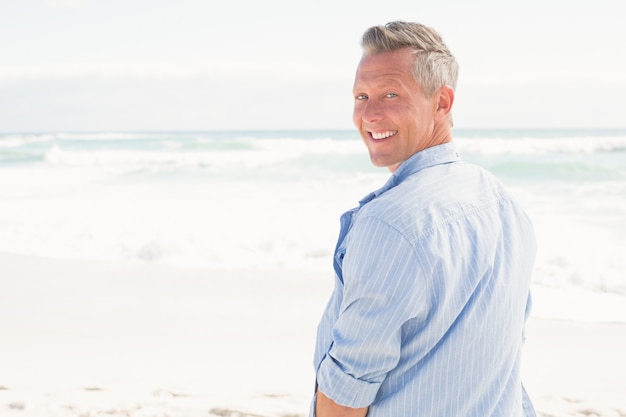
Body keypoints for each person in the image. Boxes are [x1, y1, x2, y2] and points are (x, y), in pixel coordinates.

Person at [310, 21, 537, 417]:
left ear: (442, 103)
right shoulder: (503, 204)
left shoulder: (389, 225)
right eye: (361, 96)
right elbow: (504, 363)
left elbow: (345, 397)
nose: (369, 114)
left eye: (391, 94)